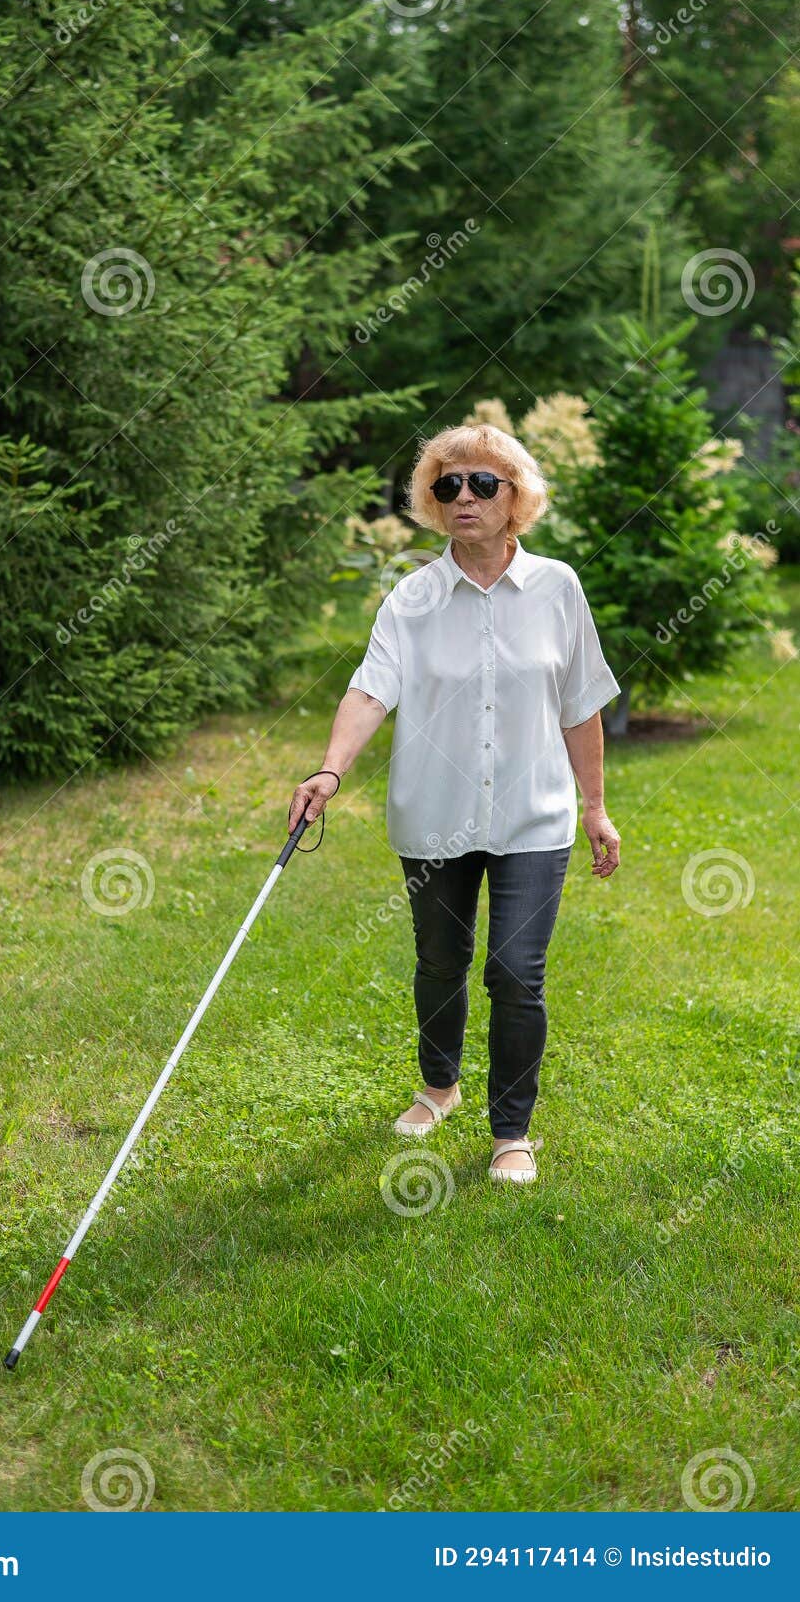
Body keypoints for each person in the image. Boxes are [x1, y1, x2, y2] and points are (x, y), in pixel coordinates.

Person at [288, 422, 621, 1184]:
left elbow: (579, 704)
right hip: (433, 812)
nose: (461, 498)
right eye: (446, 485)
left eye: (480, 483)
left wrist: (594, 808)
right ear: (431, 501)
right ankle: (439, 1085)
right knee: (439, 959)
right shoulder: (412, 597)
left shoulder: (557, 587)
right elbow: (371, 688)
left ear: (517, 498)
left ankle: (511, 1132)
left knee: (515, 970)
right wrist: (329, 772)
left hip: (535, 814)